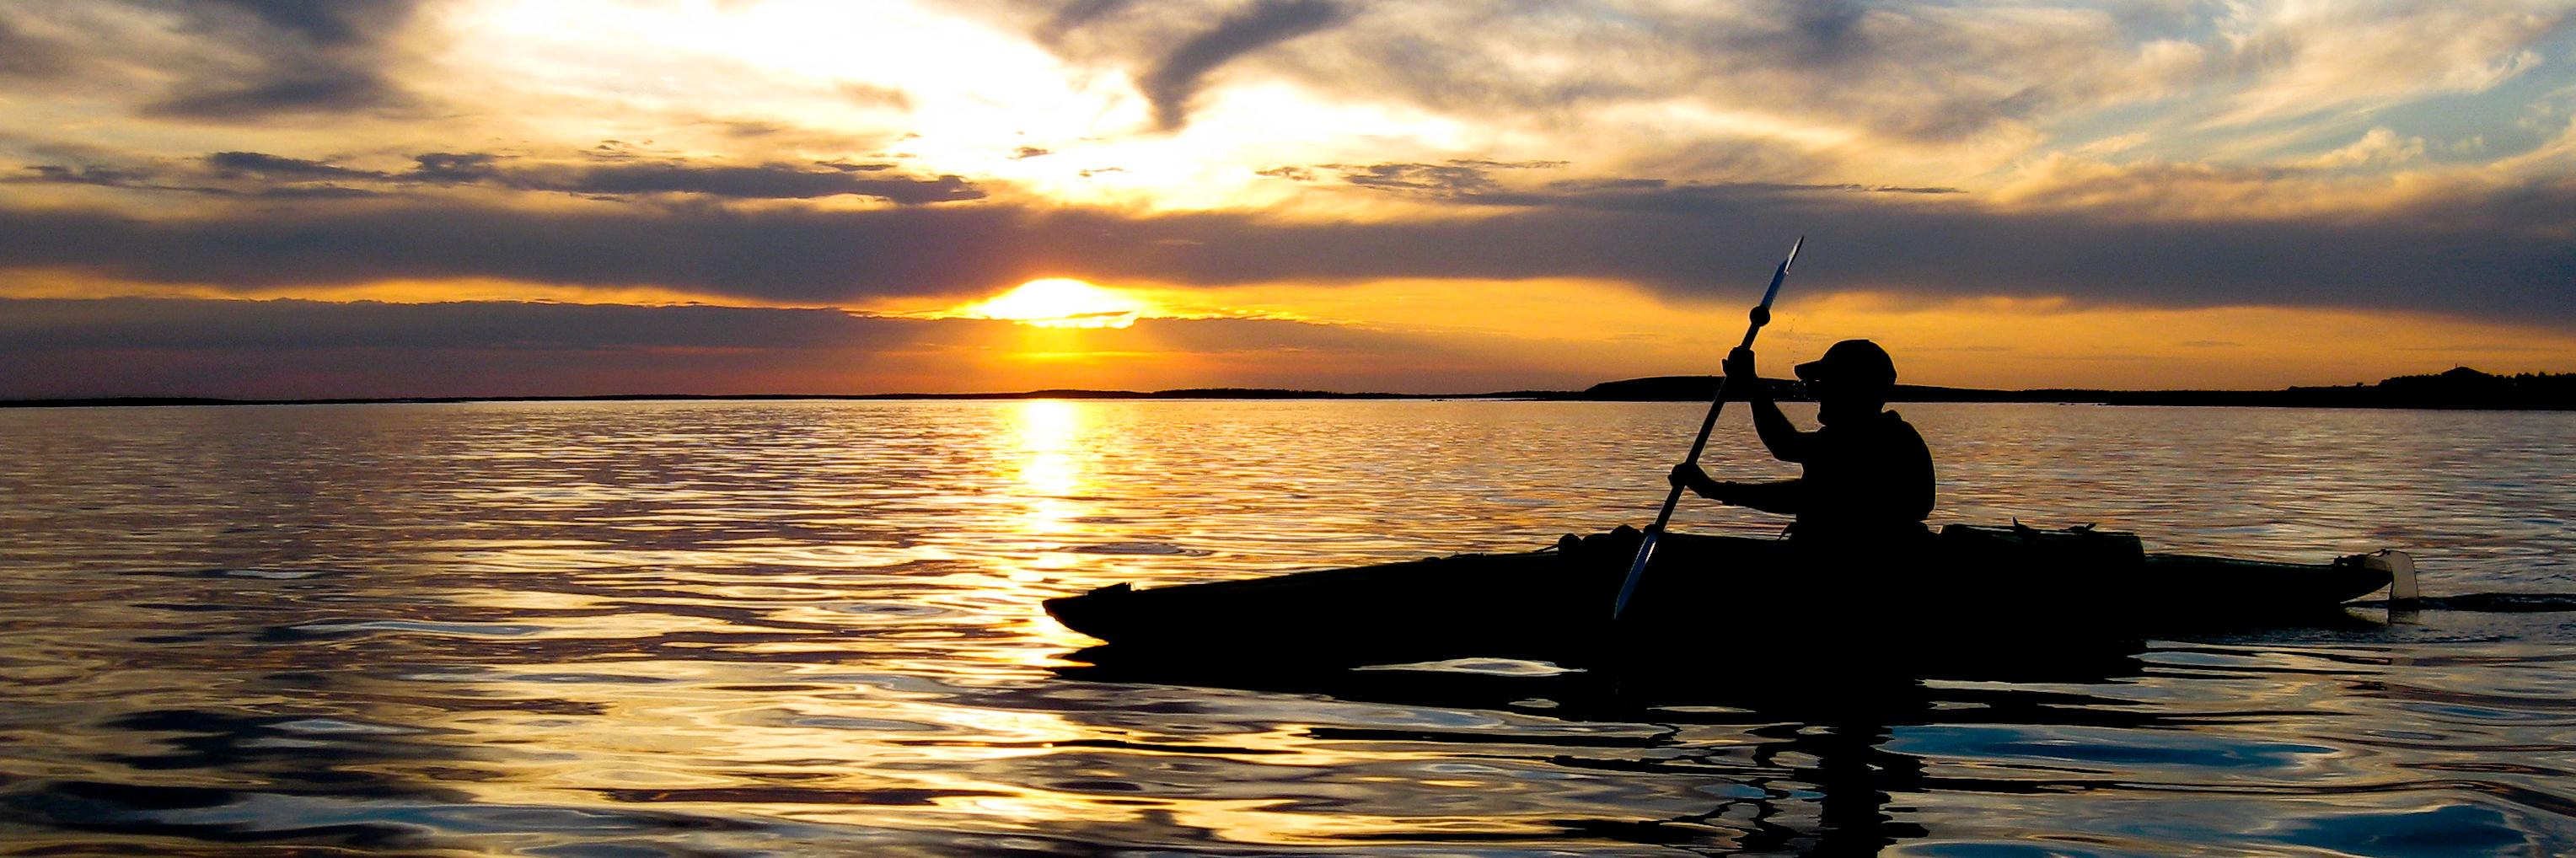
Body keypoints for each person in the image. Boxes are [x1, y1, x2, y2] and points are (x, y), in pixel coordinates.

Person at [1666, 336, 1934, 546]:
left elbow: (1801, 487)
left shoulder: (1876, 440)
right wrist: (1752, 386)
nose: (1817, 391)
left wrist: (1715, 490)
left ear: (1852, 389)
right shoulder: (1872, 434)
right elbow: (1787, 447)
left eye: (1826, 383)